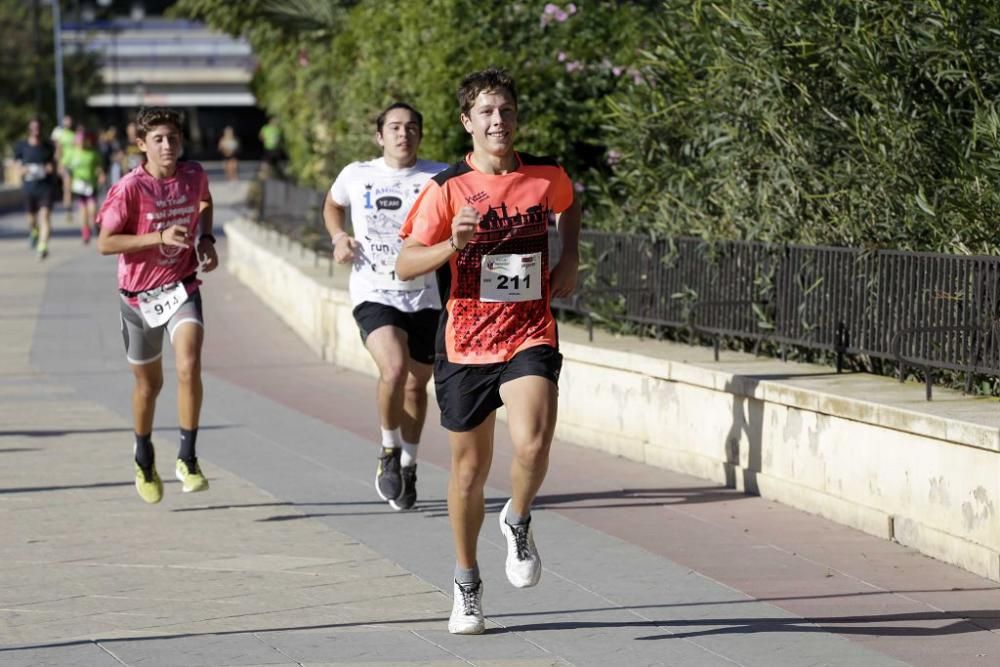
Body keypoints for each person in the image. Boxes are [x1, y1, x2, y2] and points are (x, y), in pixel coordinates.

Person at [397, 67, 581, 635]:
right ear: (467, 123)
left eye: (505, 109)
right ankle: (467, 582)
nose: (497, 120)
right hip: (466, 341)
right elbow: (404, 263)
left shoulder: (545, 175)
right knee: (469, 473)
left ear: (516, 116)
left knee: (532, 443)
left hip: (529, 330)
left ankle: (518, 517)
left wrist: (568, 256)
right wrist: (450, 243)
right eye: (485, 112)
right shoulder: (447, 190)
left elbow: (569, 204)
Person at [323, 103, 447, 511]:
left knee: (416, 385)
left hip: (425, 294)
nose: (403, 134)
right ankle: (389, 450)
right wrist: (339, 237)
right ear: (380, 136)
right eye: (394, 127)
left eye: (412, 127)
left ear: (420, 135)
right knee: (393, 368)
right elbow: (333, 203)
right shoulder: (357, 174)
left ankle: (409, 464)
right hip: (374, 290)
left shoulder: (440, 177)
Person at [96, 107, 219, 504]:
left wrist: (206, 239)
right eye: (159, 140)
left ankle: (187, 456)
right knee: (149, 384)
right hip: (139, 297)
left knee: (189, 363)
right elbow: (106, 242)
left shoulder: (193, 174)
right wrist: (158, 236)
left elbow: (204, 202)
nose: (168, 146)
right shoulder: (130, 188)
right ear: (142, 145)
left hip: (182, 286)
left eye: (173, 138)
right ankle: (144, 454)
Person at [13, 118, 57, 260]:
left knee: (45, 217)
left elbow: (53, 165)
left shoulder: (48, 146)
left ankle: (42, 246)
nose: (36, 131)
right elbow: (16, 166)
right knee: (31, 220)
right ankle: (34, 231)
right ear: (29, 130)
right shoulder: (21, 146)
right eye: (33, 128)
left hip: (45, 187)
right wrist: (24, 170)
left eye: (38, 128)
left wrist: (49, 168)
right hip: (29, 188)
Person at [65, 129, 105, 244]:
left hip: (91, 184)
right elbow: (66, 167)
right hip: (78, 185)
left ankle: (96, 225)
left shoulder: (92, 153)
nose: (81, 142)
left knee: (93, 209)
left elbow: (99, 167)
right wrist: (68, 179)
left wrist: (101, 175)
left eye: (83, 140)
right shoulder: (72, 153)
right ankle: (85, 230)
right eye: (79, 140)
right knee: (83, 211)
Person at [50, 114, 76, 212]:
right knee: (67, 184)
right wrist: (58, 163)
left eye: (70, 121)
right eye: (66, 120)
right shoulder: (60, 134)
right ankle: (67, 205)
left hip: (75, 164)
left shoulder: (74, 134)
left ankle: (69, 203)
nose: (69, 123)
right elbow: (58, 149)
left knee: (71, 185)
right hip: (65, 162)